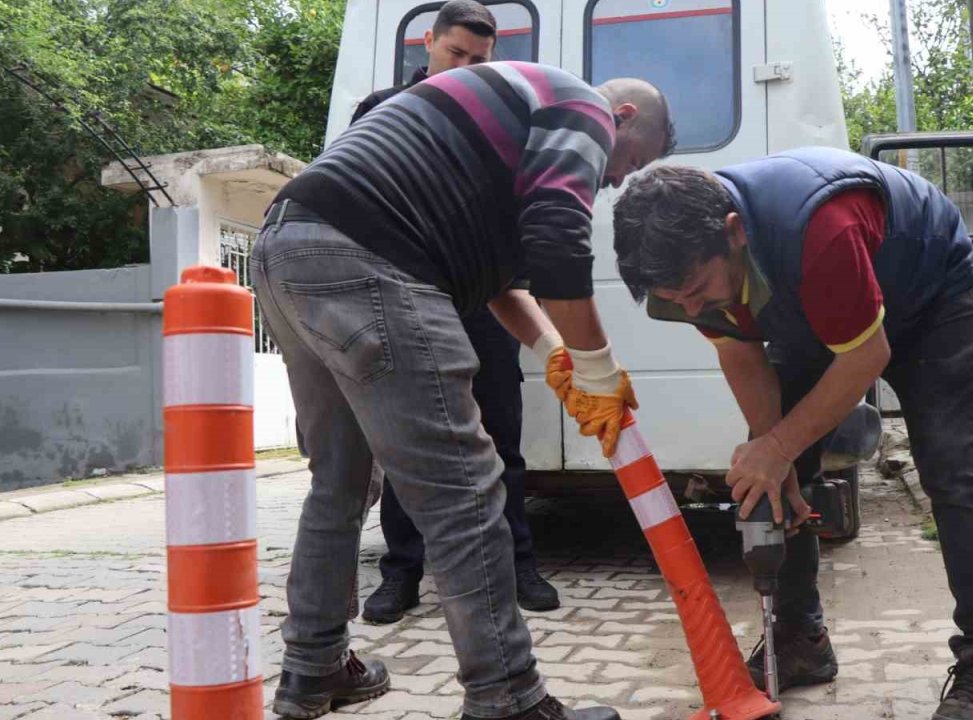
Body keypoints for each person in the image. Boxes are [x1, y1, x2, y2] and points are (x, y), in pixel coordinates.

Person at [251, 53, 675, 718]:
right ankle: (507, 697)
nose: (618, 181)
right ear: (621, 118)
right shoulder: (581, 109)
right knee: (465, 491)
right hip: (369, 255)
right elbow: (560, 246)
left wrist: (561, 362)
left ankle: (313, 668)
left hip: (290, 246)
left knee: (340, 481)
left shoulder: (508, 131)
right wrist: (599, 374)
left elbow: (506, 283)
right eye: (631, 162)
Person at [611, 148, 973, 720]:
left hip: (926, 292)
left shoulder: (816, 228)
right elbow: (740, 353)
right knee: (770, 472)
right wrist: (773, 455)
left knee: (951, 466)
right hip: (819, 304)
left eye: (698, 290)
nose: (692, 307)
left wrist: (778, 446)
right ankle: (799, 639)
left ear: (733, 233)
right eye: (679, 301)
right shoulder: (693, 272)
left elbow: (866, 355)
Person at [346, 0, 561, 625]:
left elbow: (515, 213)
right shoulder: (381, 109)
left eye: (478, 60)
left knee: (501, 441)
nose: (463, 67)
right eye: (455, 54)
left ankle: (519, 564)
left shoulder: (499, 121)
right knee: (406, 443)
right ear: (428, 45)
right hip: (405, 296)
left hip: (488, 299)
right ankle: (402, 573)